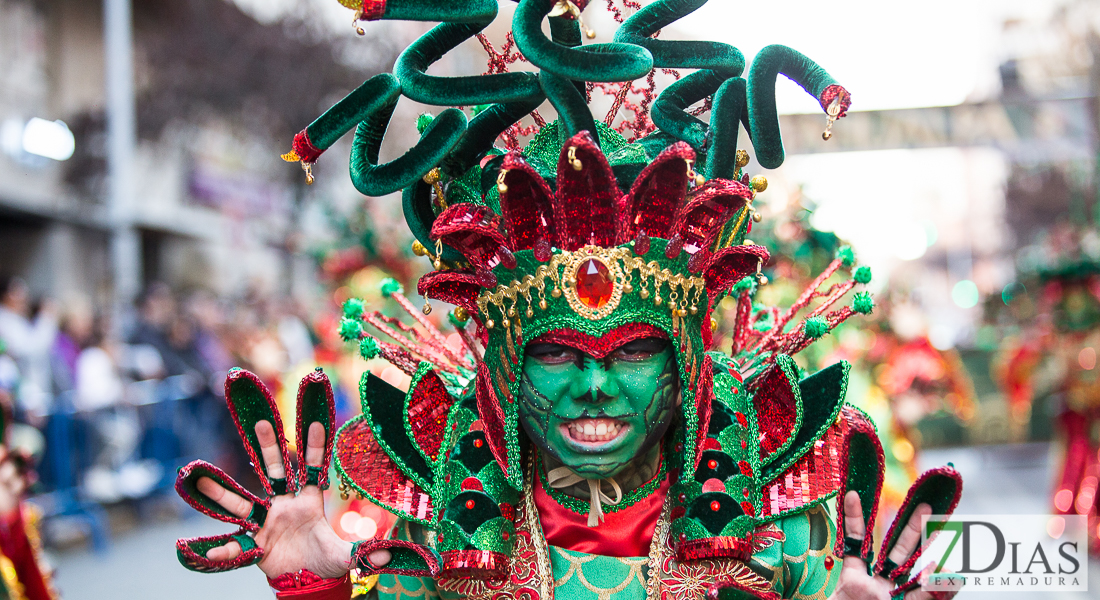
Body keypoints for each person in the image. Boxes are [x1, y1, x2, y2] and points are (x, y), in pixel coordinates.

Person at [173, 1, 964, 598]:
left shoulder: (777, 530)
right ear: (502, 369)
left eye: (634, 351)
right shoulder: (429, 539)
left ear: (686, 362)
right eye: (554, 352)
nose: (594, 383)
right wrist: (312, 586)